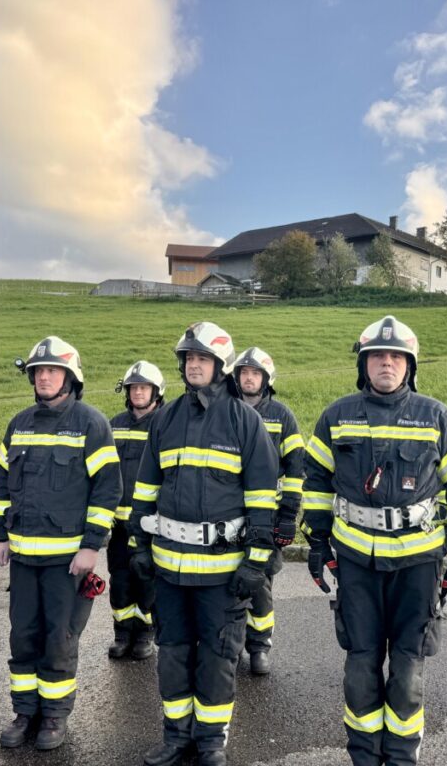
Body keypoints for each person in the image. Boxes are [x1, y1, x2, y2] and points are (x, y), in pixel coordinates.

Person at [302, 315, 447, 766]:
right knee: (360, 665)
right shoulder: (336, 417)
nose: (387, 363)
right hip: (356, 564)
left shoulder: (437, 417)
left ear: (410, 365)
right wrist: (318, 542)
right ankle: (365, 756)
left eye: (396, 356)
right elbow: (316, 481)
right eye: (377, 356)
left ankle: (402, 757)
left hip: (418, 565)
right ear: (363, 365)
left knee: (407, 669)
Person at [129, 321, 279, 766]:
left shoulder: (245, 422)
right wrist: (139, 545)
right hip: (170, 570)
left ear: (221, 365)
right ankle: (176, 737)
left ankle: (211, 741)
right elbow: (145, 489)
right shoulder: (166, 419)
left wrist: (255, 563)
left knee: (217, 657)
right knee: (173, 655)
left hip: (221, 572)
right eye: (189, 358)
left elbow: (262, 501)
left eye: (203, 359)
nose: (194, 365)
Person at [0, 336, 122, 751]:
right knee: (23, 637)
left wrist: (91, 546)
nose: (43, 377)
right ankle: (24, 712)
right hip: (23, 558)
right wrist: (0, 534)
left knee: (59, 639)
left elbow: (107, 490)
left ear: (70, 377)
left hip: (67, 560)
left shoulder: (91, 423)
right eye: (38, 371)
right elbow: (1, 481)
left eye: (52, 370)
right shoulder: (19, 423)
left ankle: (54, 716)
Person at [233, 346, 305, 675]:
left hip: (268, 515)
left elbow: (296, 468)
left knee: (260, 583)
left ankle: (259, 645)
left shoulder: (281, 416)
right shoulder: (226, 410)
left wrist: (288, 515)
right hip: (228, 512)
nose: (249, 378)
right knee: (227, 580)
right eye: (244, 373)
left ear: (266, 379)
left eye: (255, 373)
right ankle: (232, 642)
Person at [106, 361, 165, 660]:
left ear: (156, 391)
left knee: (147, 582)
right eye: (133, 388)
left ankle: (144, 634)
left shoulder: (164, 424)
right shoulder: (113, 425)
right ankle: (122, 633)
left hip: (150, 525)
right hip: (118, 525)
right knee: (120, 581)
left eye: (144, 387)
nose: (138, 392)